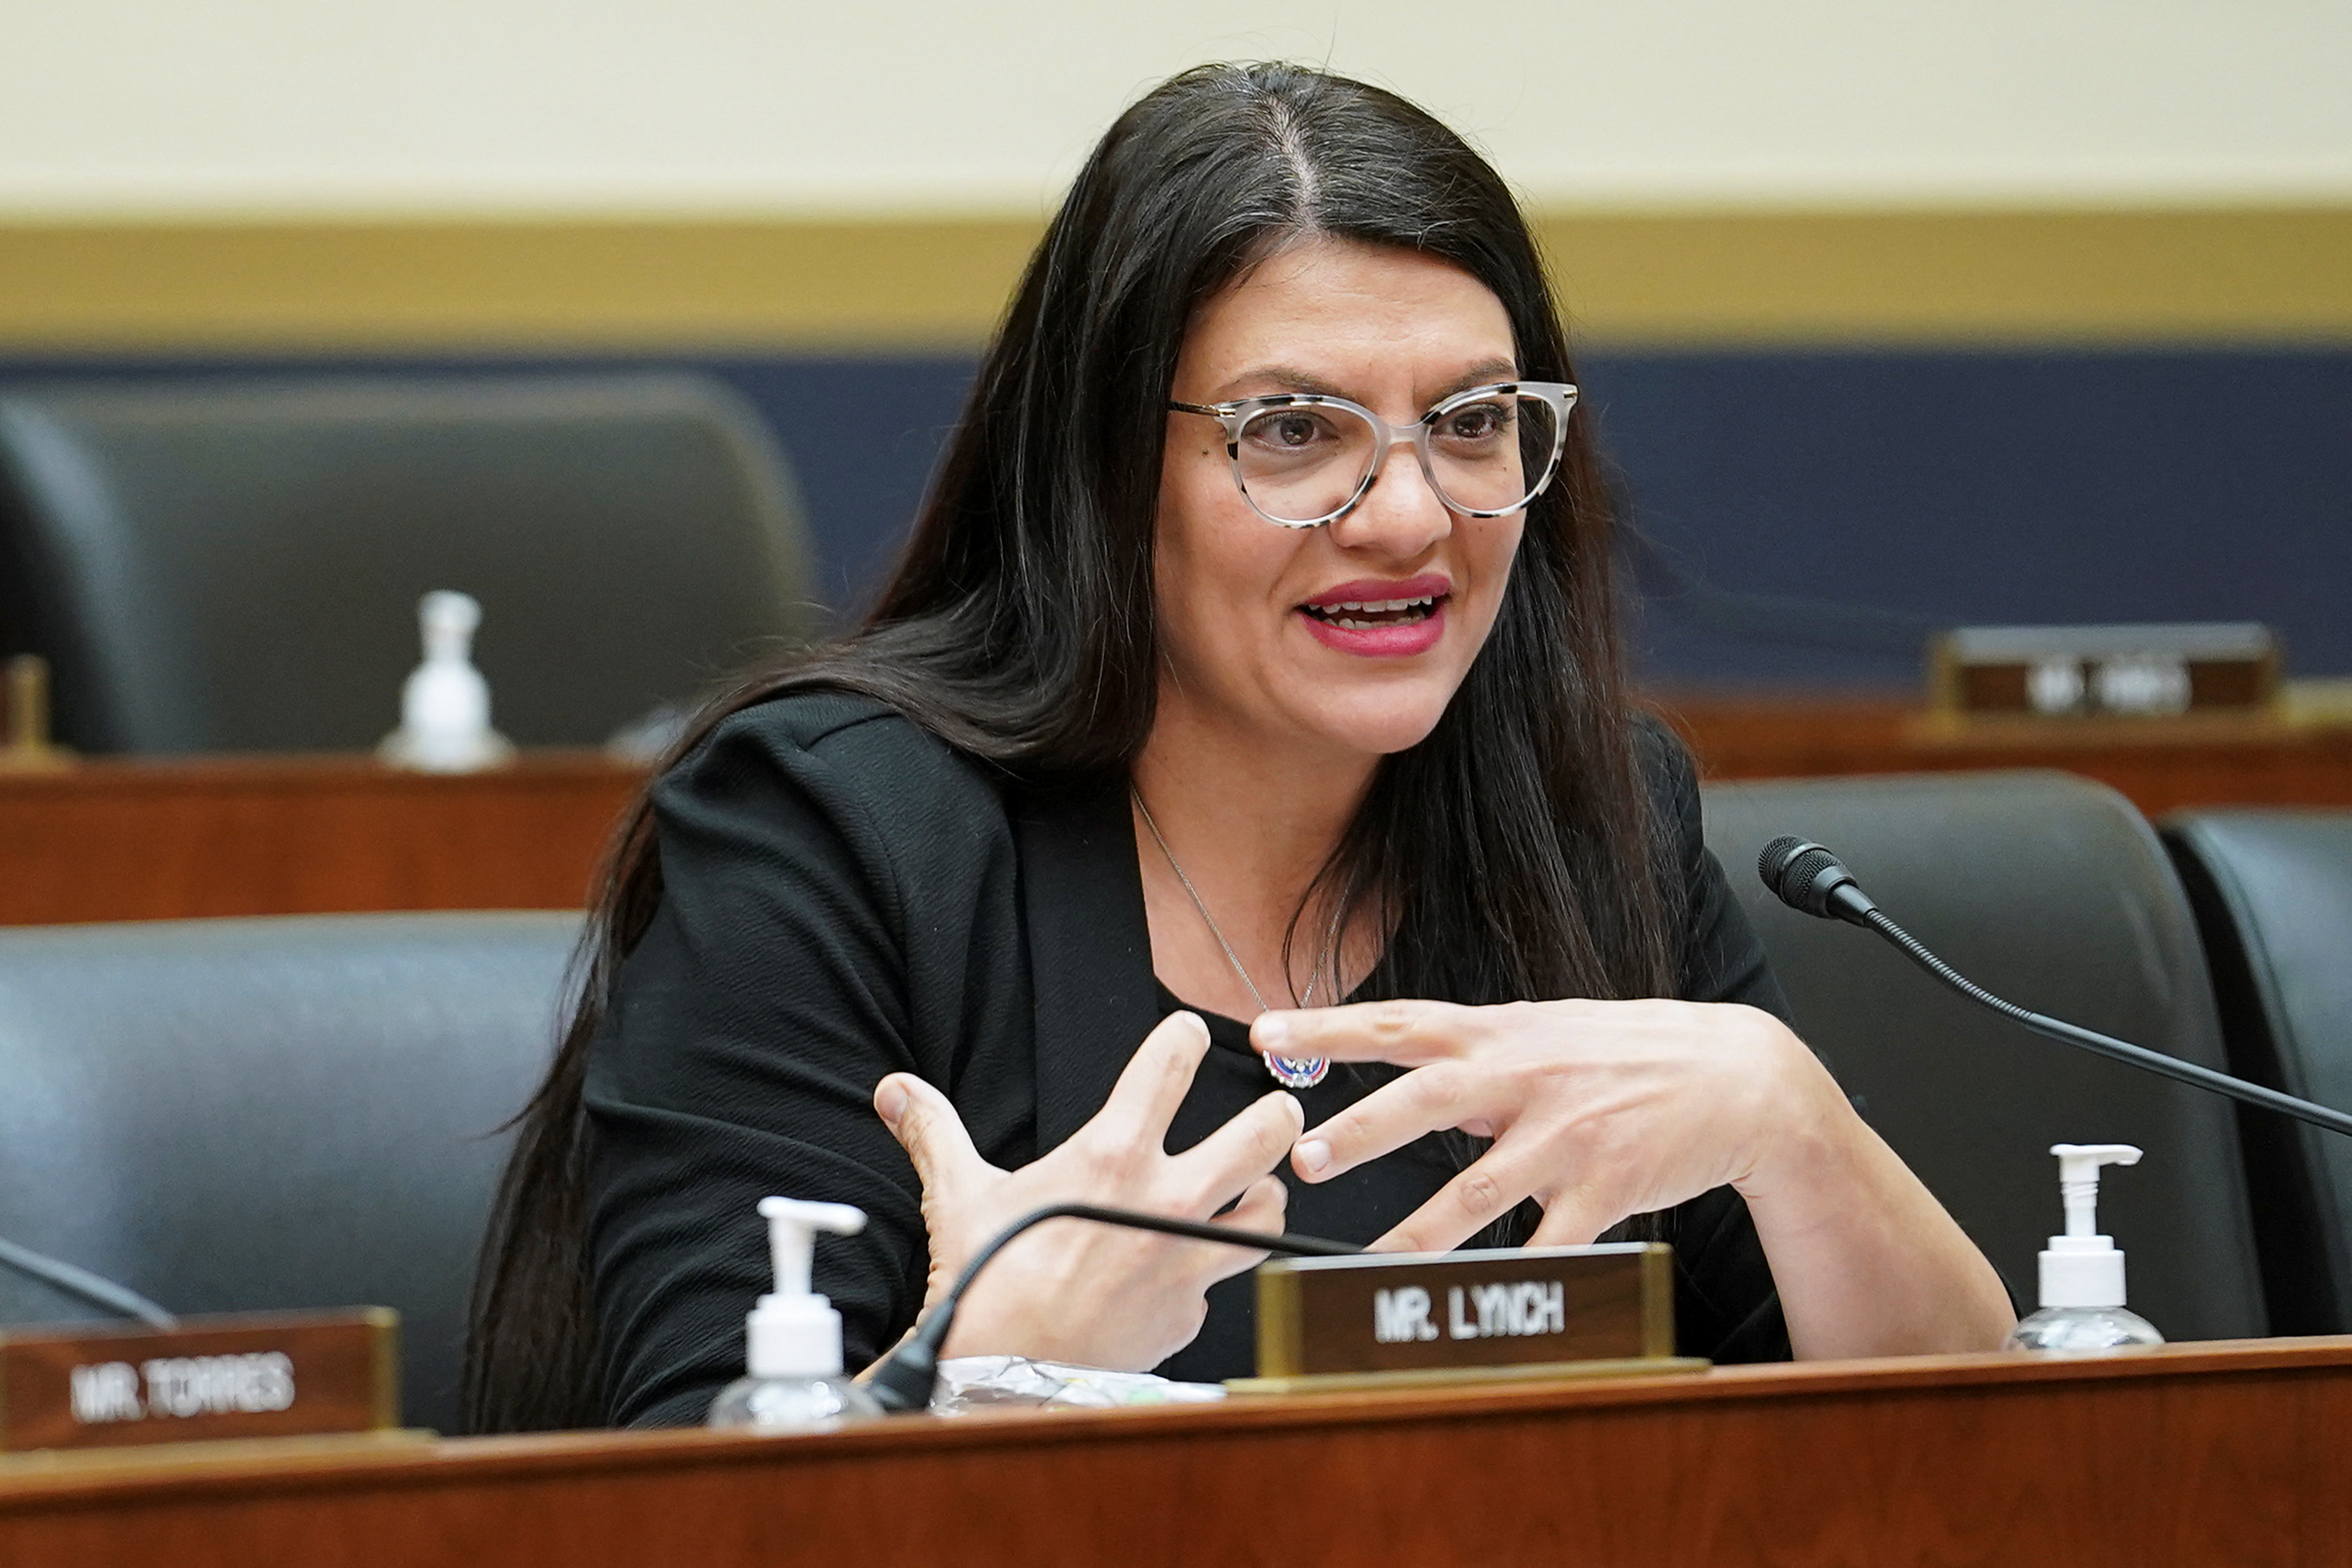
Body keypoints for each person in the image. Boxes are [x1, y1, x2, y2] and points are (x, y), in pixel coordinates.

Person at [464, 61, 2014, 1434]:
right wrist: (986, 1367)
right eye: (1292, 432)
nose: (1411, 515)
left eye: (1473, 421)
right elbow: (683, 1493)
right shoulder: (835, 830)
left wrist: (1798, 1124)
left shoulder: (1590, 815)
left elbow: (1962, 1481)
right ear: (1104, 471)